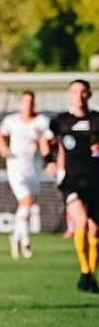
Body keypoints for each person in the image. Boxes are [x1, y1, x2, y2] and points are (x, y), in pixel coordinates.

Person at [44, 80, 99, 292]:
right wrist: (48, 160)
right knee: (82, 223)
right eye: (75, 92)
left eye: (83, 92)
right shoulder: (60, 121)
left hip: (96, 180)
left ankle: (89, 276)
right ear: (70, 95)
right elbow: (45, 141)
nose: (79, 96)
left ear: (89, 95)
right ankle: (86, 271)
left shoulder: (97, 120)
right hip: (72, 181)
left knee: (95, 230)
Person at [0, 91, 51, 259]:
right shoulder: (11, 120)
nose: (28, 105)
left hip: (34, 167)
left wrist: (44, 145)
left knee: (26, 205)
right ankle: (26, 242)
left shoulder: (42, 121)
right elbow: (0, 135)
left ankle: (15, 237)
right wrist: (3, 148)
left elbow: (48, 141)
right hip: (15, 166)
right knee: (25, 200)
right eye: (25, 102)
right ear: (21, 103)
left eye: (31, 102)